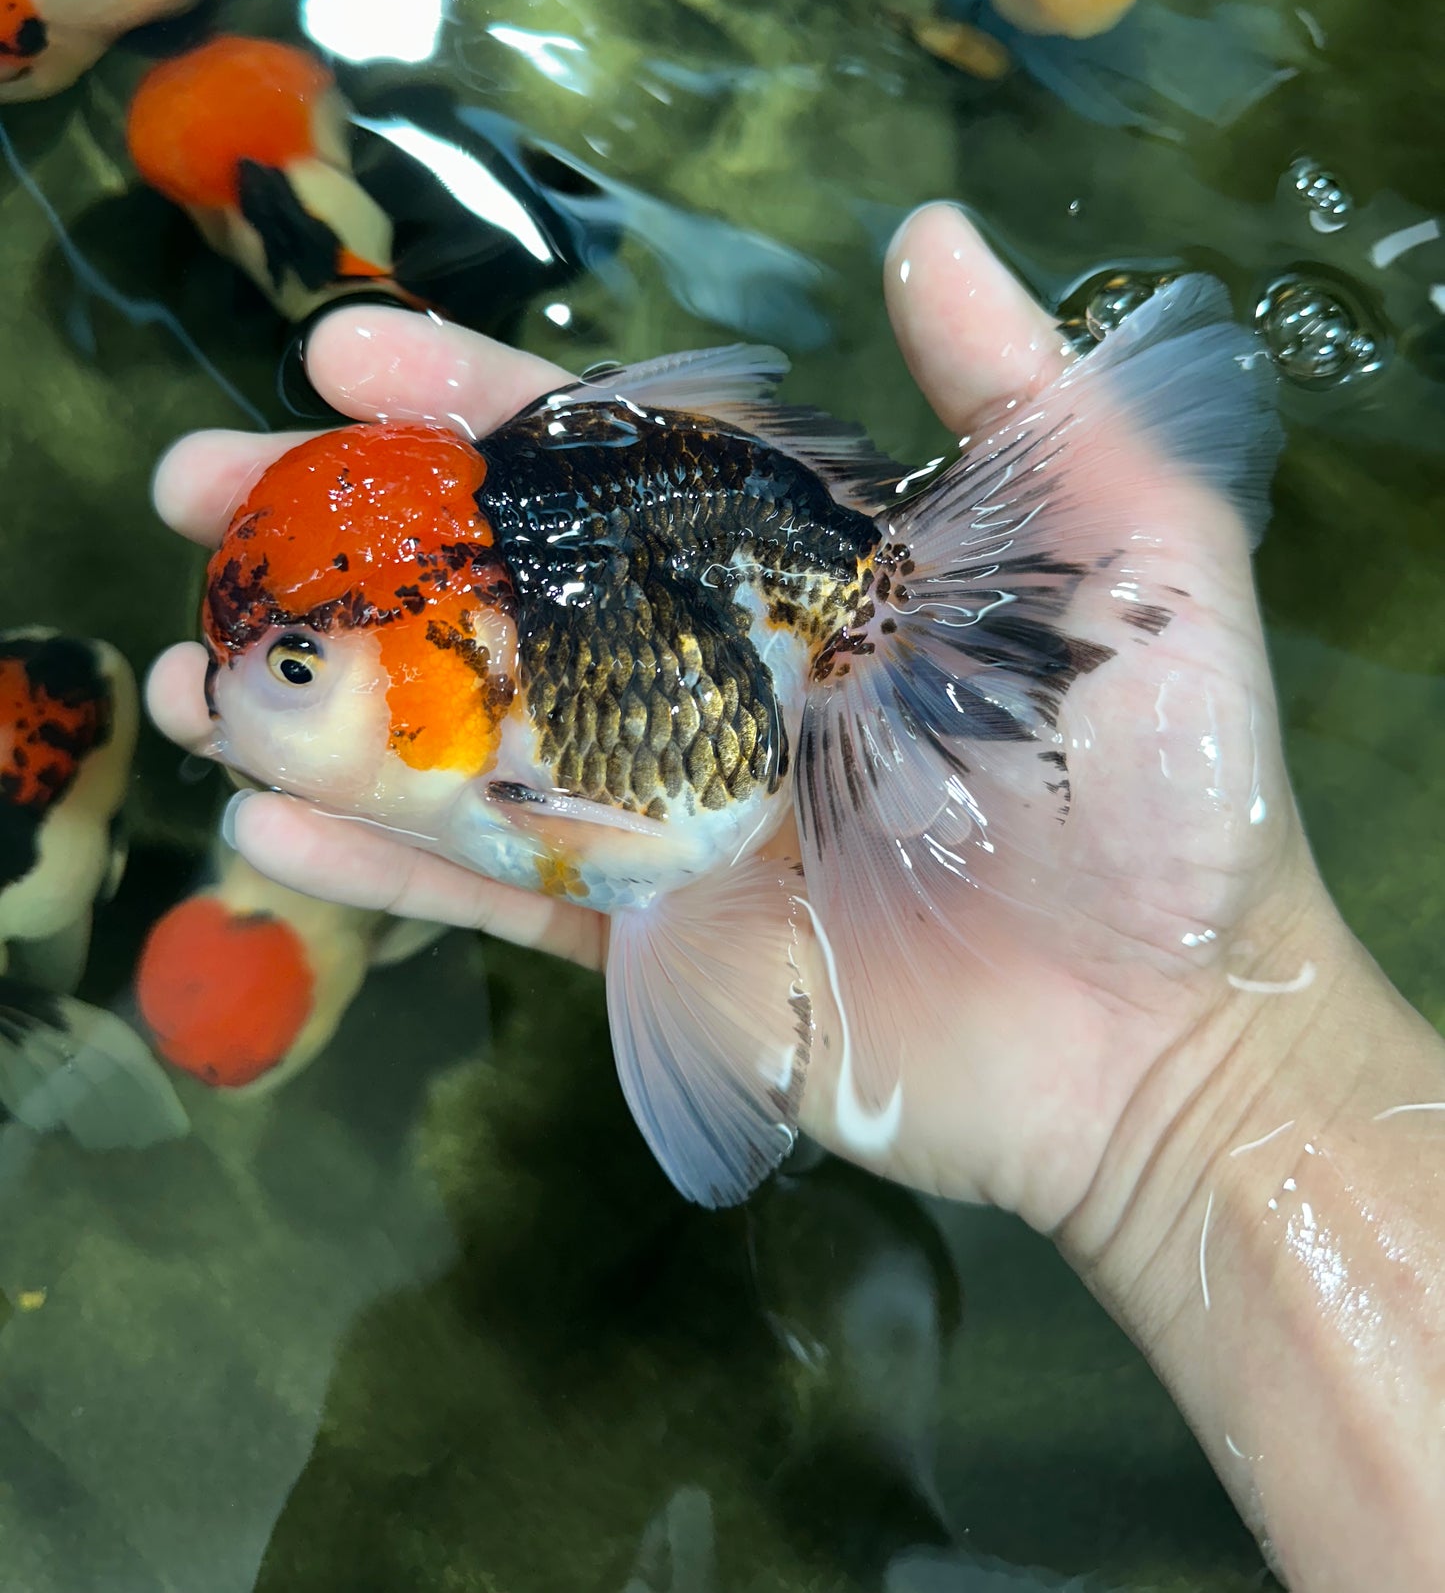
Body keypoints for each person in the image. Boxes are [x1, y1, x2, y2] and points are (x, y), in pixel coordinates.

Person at [146, 202, 1445, 1591]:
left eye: (292, 671)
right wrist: (1208, 1089)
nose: (243, 701)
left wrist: (1202, 1064)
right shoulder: (477, 727)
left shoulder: (537, 744)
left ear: (448, 659)